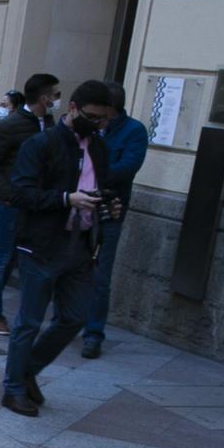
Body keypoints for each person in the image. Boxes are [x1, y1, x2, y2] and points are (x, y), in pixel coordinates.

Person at [1, 79, 120, 418]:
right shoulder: (41, 144)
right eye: (93, 117)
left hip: (80, 244)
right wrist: (66, 199)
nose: (99, 125)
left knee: (74, 316)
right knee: (29, 321)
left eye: (104, 119)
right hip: (41, 244)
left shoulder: (98, 146)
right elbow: (20, 194)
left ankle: (26, 372)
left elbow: (99, 186)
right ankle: (13, 389)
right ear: (72, 108)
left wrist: (107, 204)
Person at [0, 73, 58, 336]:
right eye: (54, 94)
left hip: (35, 203)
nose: (57, 99)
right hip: (11, 202)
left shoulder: (50, 125)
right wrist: (6, 193)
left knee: (15, 258)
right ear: (43, 98)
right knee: (1, 258)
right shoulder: (10, 126)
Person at [81, 81, 150, 358]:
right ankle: (67, 318)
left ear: (111, 108)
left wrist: (92, 175)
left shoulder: (133, 131)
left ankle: (93, 332)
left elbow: (128, 167)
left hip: (109, 208)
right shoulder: (89, 127)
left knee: (100, 272)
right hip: (78, 204)